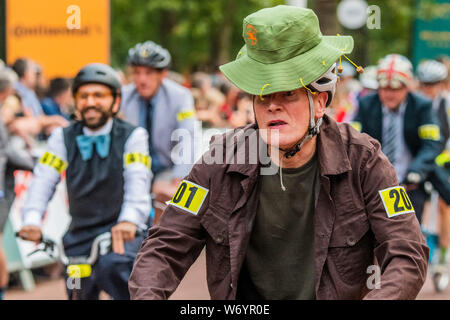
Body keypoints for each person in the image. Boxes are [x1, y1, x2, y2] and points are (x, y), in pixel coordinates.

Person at [129, 5, 428, 300]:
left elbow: (406, 254)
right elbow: (166, 246)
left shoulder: (364, 161)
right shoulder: (220, 159)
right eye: (263, 96)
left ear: (320, 102)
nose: (273, 105)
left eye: (288, 93)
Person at [17, 63, 152, 300]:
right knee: (77, 290)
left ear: (115, 100)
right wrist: (32, 220)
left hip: (120, 234)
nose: (90, 102)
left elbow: (137, 180)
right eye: (83, 96)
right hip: (79, 236)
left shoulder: (133, 136)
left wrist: (130, 220)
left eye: (98, 95)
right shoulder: (62, 137)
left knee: (116, 271)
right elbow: (44, 178)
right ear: (75, 101)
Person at [353, 54, 442, 224]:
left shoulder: (422, 106)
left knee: (409, 234)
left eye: (395, 89)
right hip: (373, 183)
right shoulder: (366, 105)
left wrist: (416, 171)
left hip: (411, 183)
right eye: (383, 88)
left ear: (407, 87)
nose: (389, 94)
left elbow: (431, 144)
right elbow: (354, 142)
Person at [120, 40, 197, 222]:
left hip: (168, 168)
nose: (141, 79)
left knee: (190, 202)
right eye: (137, 72)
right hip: (131, 169)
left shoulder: (180, 96)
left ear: (163, 75)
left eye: (148, 73)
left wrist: (179, 179)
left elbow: (188, 138)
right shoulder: (122, 96)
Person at [417, 59, 450, 269]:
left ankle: (444, 252)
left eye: (432, 85)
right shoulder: (416, 103)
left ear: (441, 84)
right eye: (424, 85)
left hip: (445, 159)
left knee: (443, 204)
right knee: (418, 202)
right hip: (422, 160)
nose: (427, 89)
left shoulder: (446, 104)